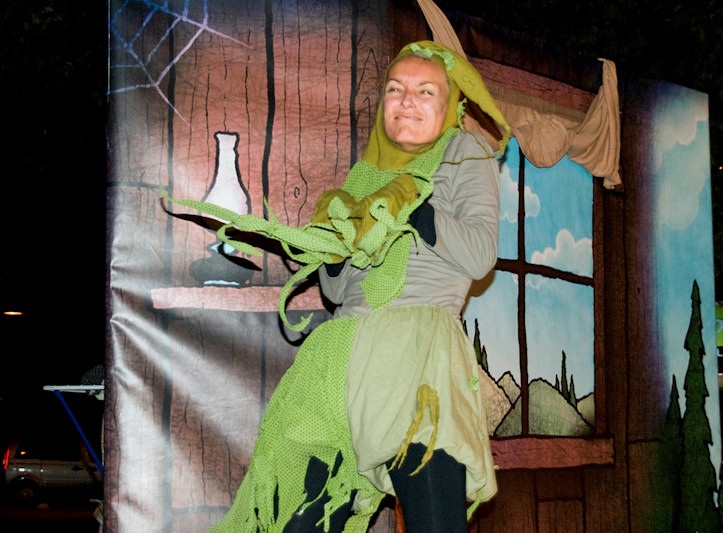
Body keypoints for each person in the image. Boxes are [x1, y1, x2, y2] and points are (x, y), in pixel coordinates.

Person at [194, 41, 509, 533]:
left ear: (450, 105)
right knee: (300, 521)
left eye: (425, 91)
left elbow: (480, 254)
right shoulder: (363, 174)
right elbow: (337, 292)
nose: (407, 100)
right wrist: (335, 243)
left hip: (416, 359)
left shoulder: (462, 153)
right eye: (395, 89)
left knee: (435, 523)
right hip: (339, 358)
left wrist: (412, 205)